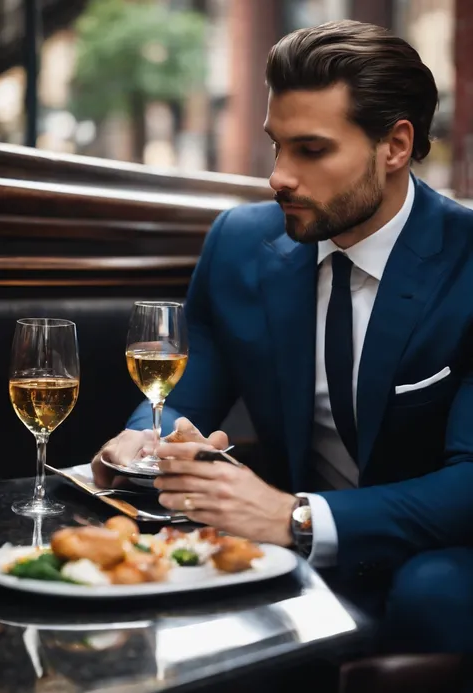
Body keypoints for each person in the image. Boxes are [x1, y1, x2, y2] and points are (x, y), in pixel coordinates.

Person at [93, 20, 473, 653]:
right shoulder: (239, 244)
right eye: (277, 147)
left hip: (439, 551)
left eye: (311, 150)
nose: (278, 177)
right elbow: (186, 395)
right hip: (276, 550)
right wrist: (146, 441)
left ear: (396, 145)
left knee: (433, 590)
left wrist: (293, 516)